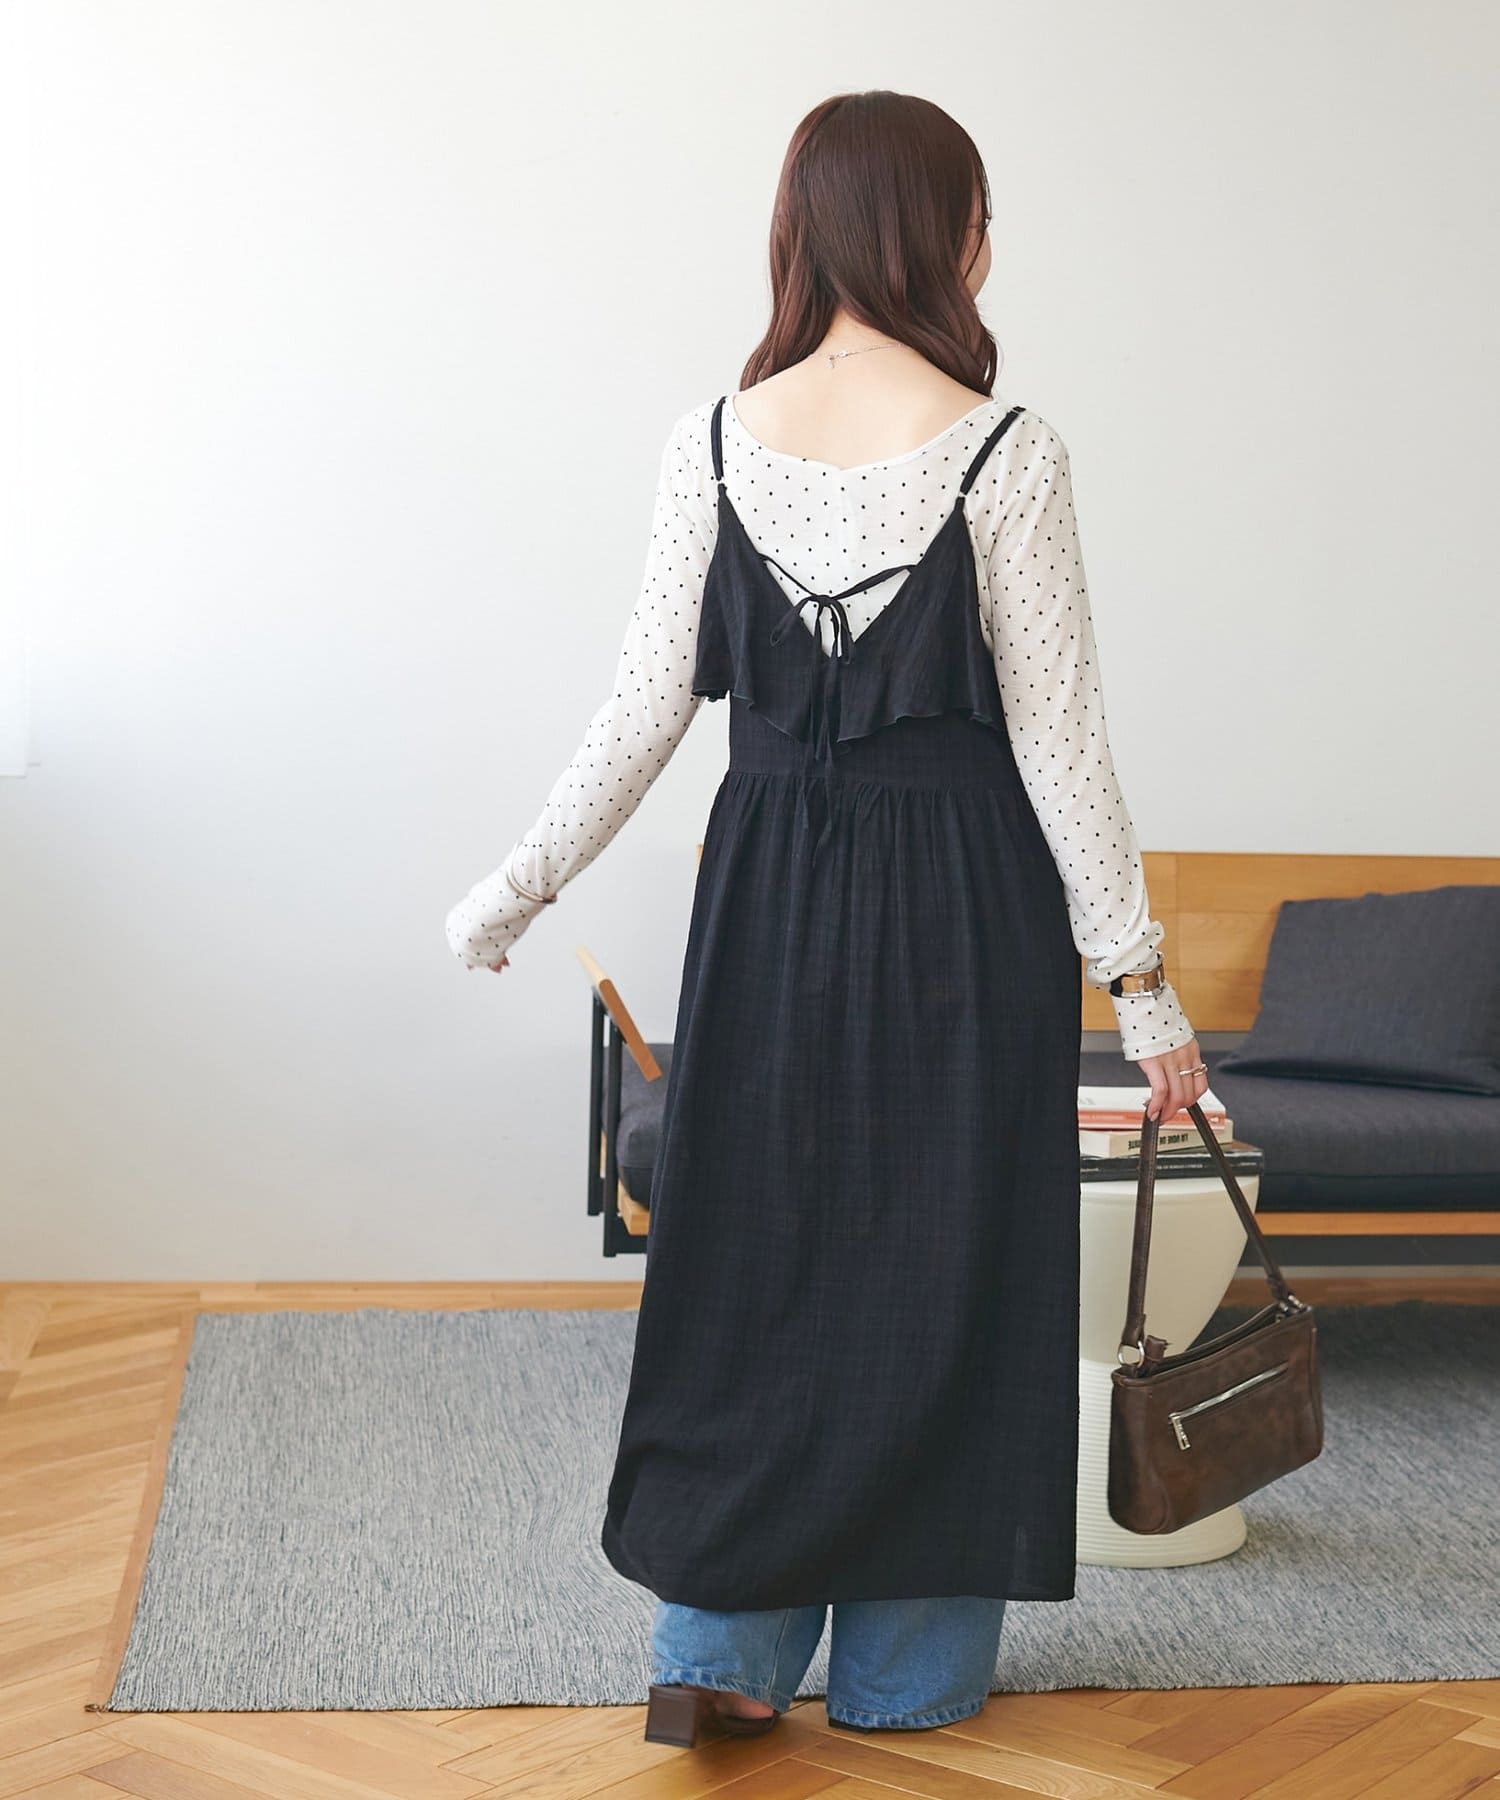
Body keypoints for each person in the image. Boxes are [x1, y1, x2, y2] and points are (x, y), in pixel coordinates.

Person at [446, 89, 1207, 1745]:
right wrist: (1145, 997)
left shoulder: (714, 440)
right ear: (949, 235)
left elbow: (643, 710)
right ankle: (905, 1676)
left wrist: (513, 889)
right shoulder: (1011, 450)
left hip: (771, 890)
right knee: (951, 1254)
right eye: (981, 218)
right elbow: (1065, 749)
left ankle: (720, 1650)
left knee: (751, 1250)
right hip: (970, 904)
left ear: (799, 232)